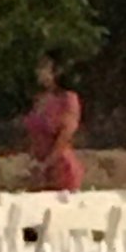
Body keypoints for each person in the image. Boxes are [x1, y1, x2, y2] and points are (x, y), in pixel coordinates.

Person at [24, 53, 84, 193]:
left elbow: (65, 136)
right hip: (39, 168)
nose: (39, 73)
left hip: (61, 168)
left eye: (44, 68)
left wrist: (46, 164)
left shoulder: (68, 99)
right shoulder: (39, 99)